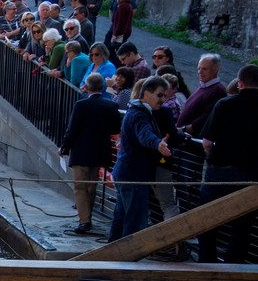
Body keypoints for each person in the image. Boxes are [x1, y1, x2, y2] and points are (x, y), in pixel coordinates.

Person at [197, 64, 258, 262]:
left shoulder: (224, 104)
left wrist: (210, 156)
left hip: (219, 170)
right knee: (242, 225)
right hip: (249, 172)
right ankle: (232, 266)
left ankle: (206, 262)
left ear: (240, 83)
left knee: (206, 218)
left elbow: (207, 142)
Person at [108, 76, 173, 242]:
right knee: (134, 220)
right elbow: (145, 135)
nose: (163, 99)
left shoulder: (137, 112)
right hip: (133, 175)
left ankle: (113, 254)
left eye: (165, 95)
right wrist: (158, 144)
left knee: (122, 217)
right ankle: (127, 257)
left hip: (128, 173)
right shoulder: (139, 114)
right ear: (146, 94)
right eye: (160, 95)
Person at [59, 73, 121, 234]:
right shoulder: (112, 106)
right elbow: (115, 129)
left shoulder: (81, 105)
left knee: (80, 187)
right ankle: (88, 218)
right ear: (102, 87)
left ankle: (84, 221)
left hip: (81, 151)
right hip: (100, 152)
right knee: (92, 187)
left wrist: (64, 147)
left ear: (86, 87)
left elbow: (72, 129)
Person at [177, 53, 227, 137]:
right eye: (199, 68)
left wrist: (183, 129)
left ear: (215, 69)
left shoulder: (218, 91)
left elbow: (206, 119)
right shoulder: (204, 86)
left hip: (192, 139)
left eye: (204, 69)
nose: (200, 72)